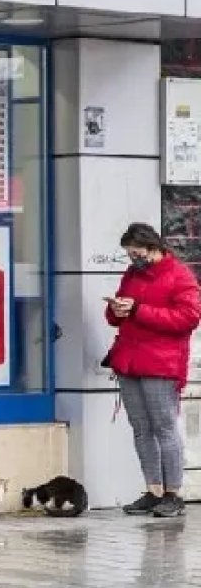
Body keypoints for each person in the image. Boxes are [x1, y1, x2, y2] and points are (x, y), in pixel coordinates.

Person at [104, 222, 201, 518]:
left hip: (161, 363)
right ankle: (153, 489)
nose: (133, 259)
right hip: (129, 360)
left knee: (164, 427)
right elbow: (117, 316)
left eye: (137, 253)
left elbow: (189, 318)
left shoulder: (180, 275)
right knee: (141, 428)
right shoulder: (133, 274)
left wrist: (138, 310)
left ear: (153, 247)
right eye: (130, 254)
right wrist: (116, 310)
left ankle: (173, 493)